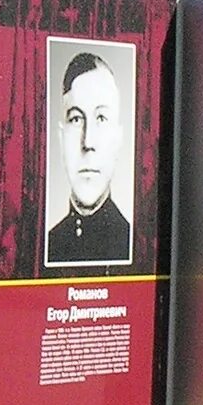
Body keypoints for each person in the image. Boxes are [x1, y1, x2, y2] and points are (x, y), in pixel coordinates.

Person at [44, 48, 131, 266]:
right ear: (61, 137)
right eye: (76, 119)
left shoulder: (130, 241)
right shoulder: (49, 243)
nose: (88, 142)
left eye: (101, 118)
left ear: (118, 139)